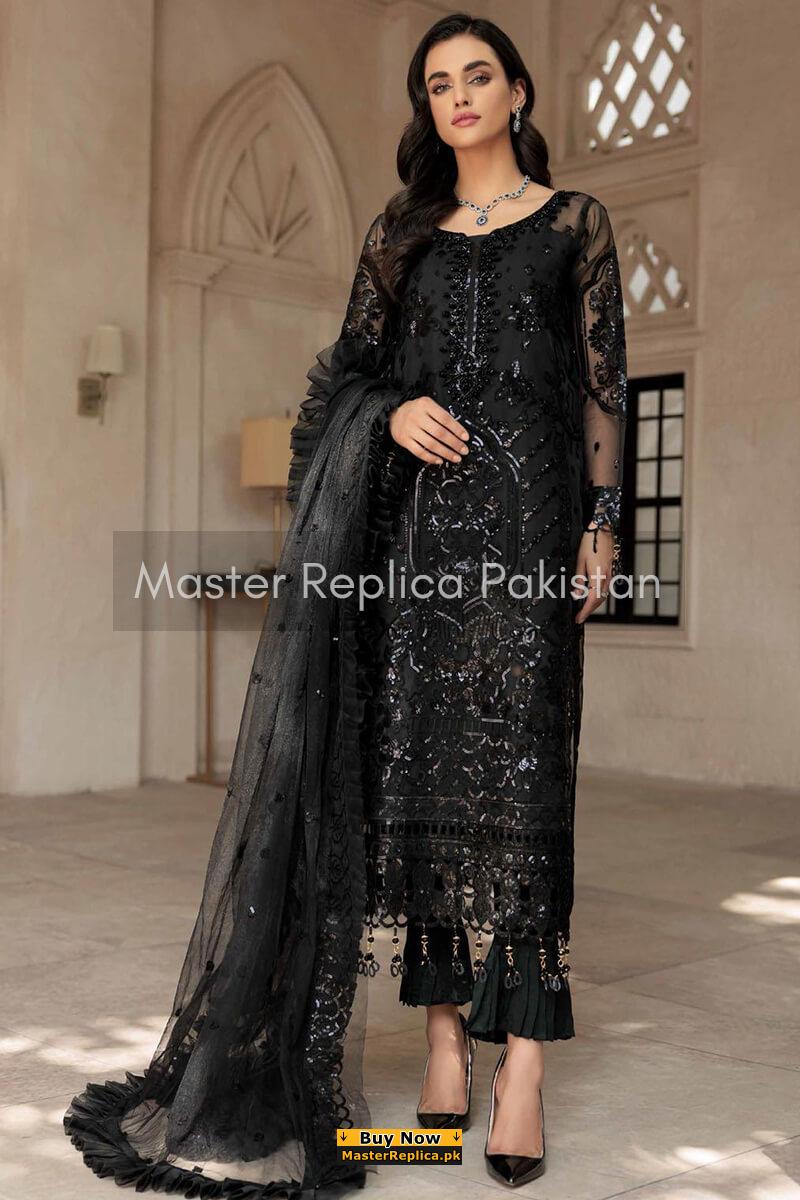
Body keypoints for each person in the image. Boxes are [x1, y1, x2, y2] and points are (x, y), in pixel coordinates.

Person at [63, 10, 626, 1198]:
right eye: (437, 83)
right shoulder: (398, 235)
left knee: (524, 784)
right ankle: (442, 1041)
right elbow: (341, 390)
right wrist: (391, 414)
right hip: (412, 548)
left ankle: (522, 1058)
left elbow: (599, 390)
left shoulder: (575, 225)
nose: (457, 96)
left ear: (516, 92)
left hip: (526, 542)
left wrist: (599, 523)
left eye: (477, 75)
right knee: (418, 784)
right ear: (427, 107)